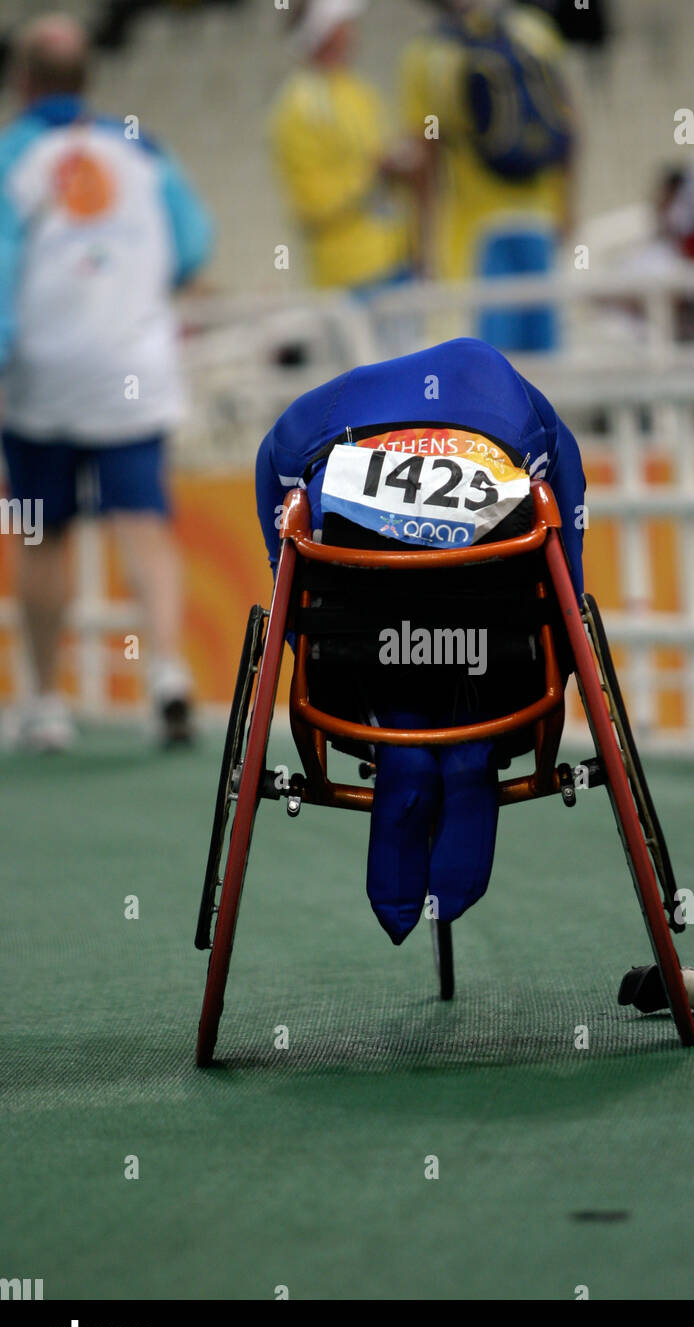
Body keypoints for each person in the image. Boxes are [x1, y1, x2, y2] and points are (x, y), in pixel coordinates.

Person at [255, 336, 586, 942]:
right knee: (516, 584)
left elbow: (291, 607)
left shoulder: (294, 431)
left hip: (366, 635)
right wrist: (543, 689)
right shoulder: (537, 416)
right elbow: (568, 598)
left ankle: (400, 741)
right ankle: (470, 753)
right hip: (494, 641)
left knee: (339, 595)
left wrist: (331, 688)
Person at [0, 13, 213, 749]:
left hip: (43, 376)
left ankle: (47, 702)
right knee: (145, 520)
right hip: (132, 366)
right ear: (88, 80)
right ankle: (167, 675)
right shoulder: (143, 149)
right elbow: (193, 246)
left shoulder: (11, 158)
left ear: (22, 82)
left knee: (41, 533)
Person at [401, 0, 577, 351]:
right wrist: (567, 206)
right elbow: (569, 125)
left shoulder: (427, 54)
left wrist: (421, 243)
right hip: (539, 220)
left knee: (486, 369)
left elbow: (426, 155)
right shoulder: (534, 30)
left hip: (473, 233)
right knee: (544, 373)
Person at [269, 0, 412, 296]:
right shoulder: (298, 108)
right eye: (342, 24)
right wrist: (374, 172)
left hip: (394, 258)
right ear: (325, 33)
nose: (351, 31)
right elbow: (310, 201)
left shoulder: (357, 90)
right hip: (348, 275)